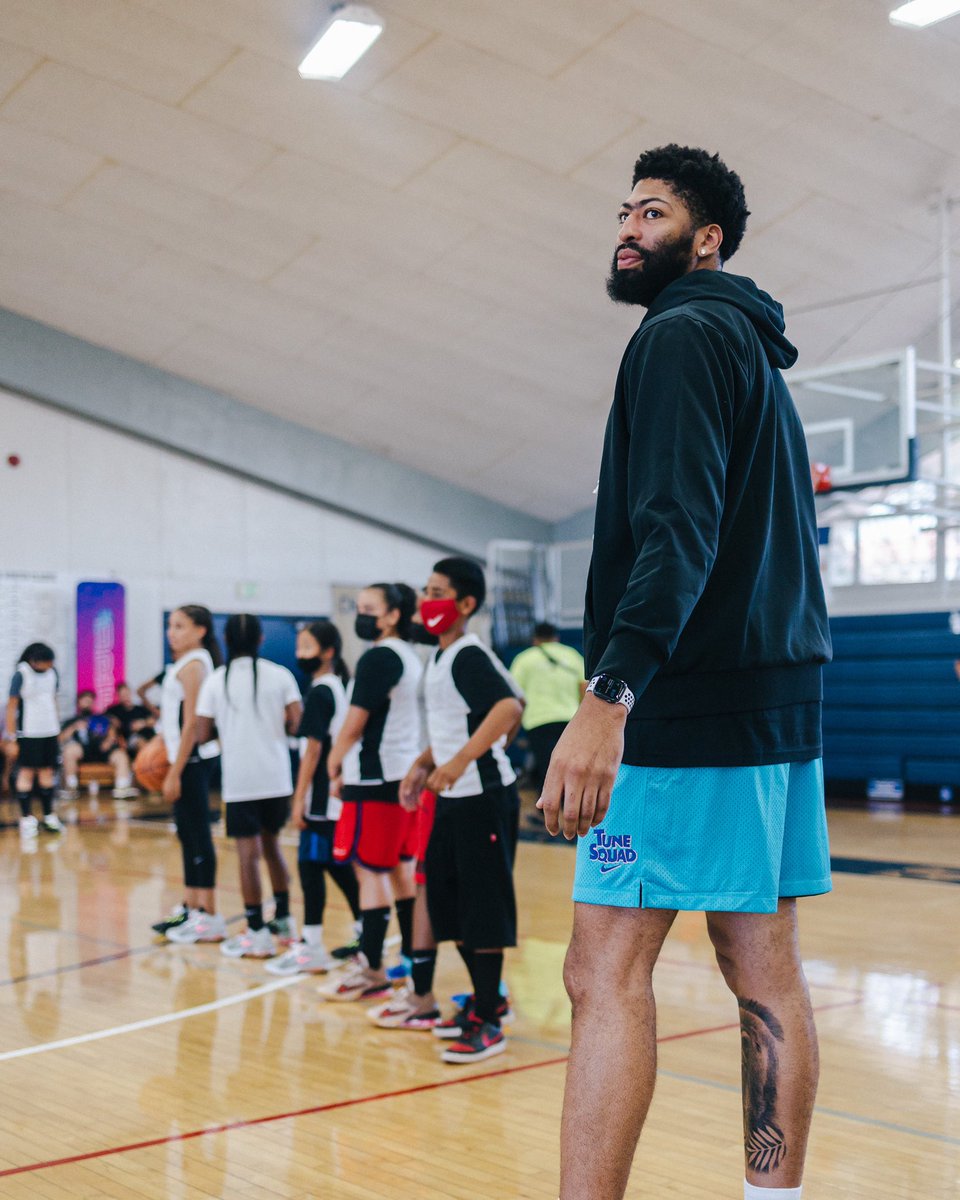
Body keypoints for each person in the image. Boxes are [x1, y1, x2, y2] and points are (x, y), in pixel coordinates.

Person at [537, 145, 833, 1200]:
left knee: (602, 969)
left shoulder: (679, 336)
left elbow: (676, 534)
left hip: (685, 709)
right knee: (764, 971)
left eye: (652, 212)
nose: (627, 226)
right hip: (775, 709)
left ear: (704, 240)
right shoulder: (749, 349)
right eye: (624, 209)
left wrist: (609, 697)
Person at [400, 558, 524, 1062]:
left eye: (438, 591)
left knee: (483, 907)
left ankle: (490, 1019)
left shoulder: (469, 654)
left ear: (466, 604)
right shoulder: (440, 657)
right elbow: (457, 723)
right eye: (424, 590)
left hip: (483, 797)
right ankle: (482, 1000)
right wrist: (423, 763)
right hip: (453, 796)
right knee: (449, 900)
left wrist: (456, 762)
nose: (427, 600)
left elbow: (507, 709)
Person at [318, 583, 422, 1003]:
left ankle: (373, 969)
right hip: (401, 778)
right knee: (400, 871)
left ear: (393, 614)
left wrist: (335, 760)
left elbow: (355, 721)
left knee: (370, 871)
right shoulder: (410, 656)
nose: (361, 615)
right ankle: (415, 965)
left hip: (375, 778)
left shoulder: (380, 656)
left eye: (368, 608)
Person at [176, 613, 302, 956]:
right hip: (277, 778)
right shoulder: (282, 675)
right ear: (261, 640)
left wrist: (230, 729)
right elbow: (296, 722)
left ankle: (257, 930)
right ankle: (285, 919)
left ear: (227, 641)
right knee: (273, 847)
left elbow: (201, 734)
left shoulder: (217, 681)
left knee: (248, 856)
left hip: (241, 781)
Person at [266, 621, 362, 975]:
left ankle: (311, 945)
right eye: (299, 646)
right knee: (337, 866)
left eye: (307, 647)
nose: (299, 654)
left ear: (328, 652)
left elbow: (312, 752)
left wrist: (298, 799)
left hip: (323, 795)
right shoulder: (338, 686)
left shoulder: (321, 692)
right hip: (337, 792)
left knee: (311, 868)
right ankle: (365, 932)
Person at [151, 605, 224, 940]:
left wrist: (174, 771)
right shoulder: (185, 663)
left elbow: (193, 722)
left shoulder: (195, 665)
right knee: (187, 833)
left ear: (201, 630)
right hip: (183, 756)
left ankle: (208, 914)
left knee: (197, 835)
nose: (172, 632)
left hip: (192, 759)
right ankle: (192, 905)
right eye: (170, 625)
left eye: (180, 626)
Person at [510, 622, 586, 792]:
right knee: (572, 768)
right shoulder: (571, 655)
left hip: (538, 721)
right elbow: (584, 688)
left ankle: (548, 814)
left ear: (535, 639)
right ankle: (572, 811)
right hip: (570, 720)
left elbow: (515, 696)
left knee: (547, 768)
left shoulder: (524, 659)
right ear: (556, 638)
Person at [4, 643, 63, 836]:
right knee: (27, 773)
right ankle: (27, 818)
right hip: (29, 732)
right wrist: (12, 737)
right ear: (34, 660)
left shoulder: (53, 673)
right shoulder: (21, 674)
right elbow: (11, 707)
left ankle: (48, 816)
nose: (49, 664)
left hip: (50, 731)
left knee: (47, 773)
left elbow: (54, 700)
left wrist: (58, 727)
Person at [59, 690, 138, 800]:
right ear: (79, 702)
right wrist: (74, 727)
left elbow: (113, 729)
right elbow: (60, 739)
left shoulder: (102, 717)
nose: (87, 703)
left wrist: (109, 740)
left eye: (90, 701)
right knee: (70, 750)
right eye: (85, 700)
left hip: (103, 749)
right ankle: (71, 787)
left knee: (120, 755)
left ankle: (122, 787)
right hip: (83, 752)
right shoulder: (72, 721)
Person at [106, 682, 157, 755]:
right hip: (131, 739)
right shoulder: (114, 710)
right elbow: (105, 718)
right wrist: (113, 721)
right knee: (140, 742)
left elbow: (152, 721)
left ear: (130, 693)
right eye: (122, 695)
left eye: (126, 694)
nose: (125, 697)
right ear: (118, 696)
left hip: (149, 736)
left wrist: (143, 723)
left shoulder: (140, 708)